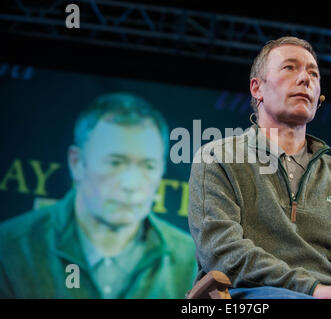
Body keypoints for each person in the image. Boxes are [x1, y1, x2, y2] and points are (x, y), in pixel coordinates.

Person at [188, 37, 331, 299]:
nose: (305, 79)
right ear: (257, 88)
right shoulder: (218, 157)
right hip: (247, 294)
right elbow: (223, 253)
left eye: (313, 73)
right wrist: (316, 290)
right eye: (290, 68)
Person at [0, 93, 197, 298]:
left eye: (148, 166)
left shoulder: (192, 263)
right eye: (115, 163)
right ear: (76, 162)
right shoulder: (10, 249)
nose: (130, 184)